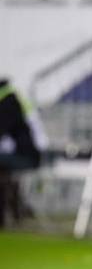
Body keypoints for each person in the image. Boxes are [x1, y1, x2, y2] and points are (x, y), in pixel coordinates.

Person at [0, 78, 44, 227]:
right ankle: (15, 209)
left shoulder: (8, 103)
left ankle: (12, 211)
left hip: (27, 156)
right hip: (27, 153)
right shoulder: (13, 99)